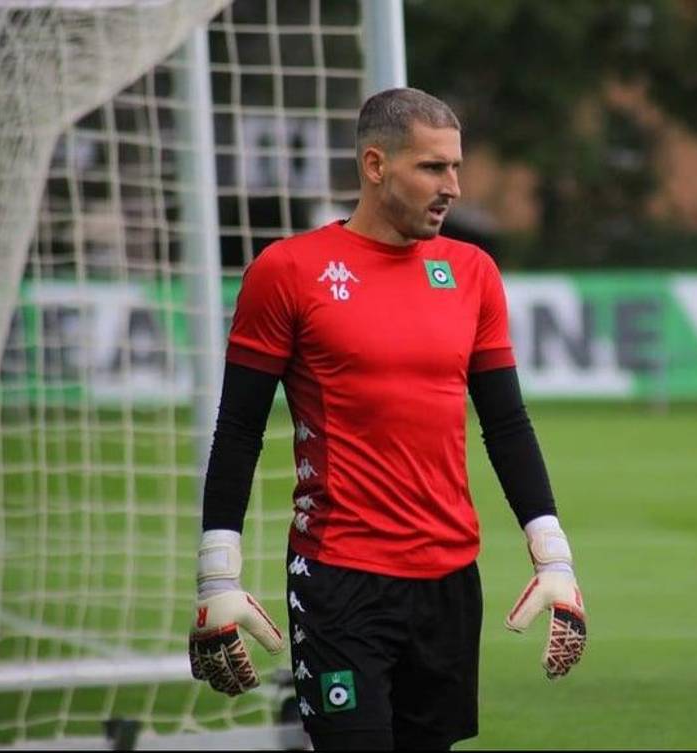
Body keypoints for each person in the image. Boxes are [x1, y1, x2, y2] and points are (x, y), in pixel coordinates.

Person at [187, 87, 587, 751]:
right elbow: (238, 430)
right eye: (433, 168)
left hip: (450, 581)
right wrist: (216, 577)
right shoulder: (287, 271)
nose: (452, 186)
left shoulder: (473, 273)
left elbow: (507, 423)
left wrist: (555, 559)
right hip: (339, 577)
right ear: (375, 166)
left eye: (456, 167)